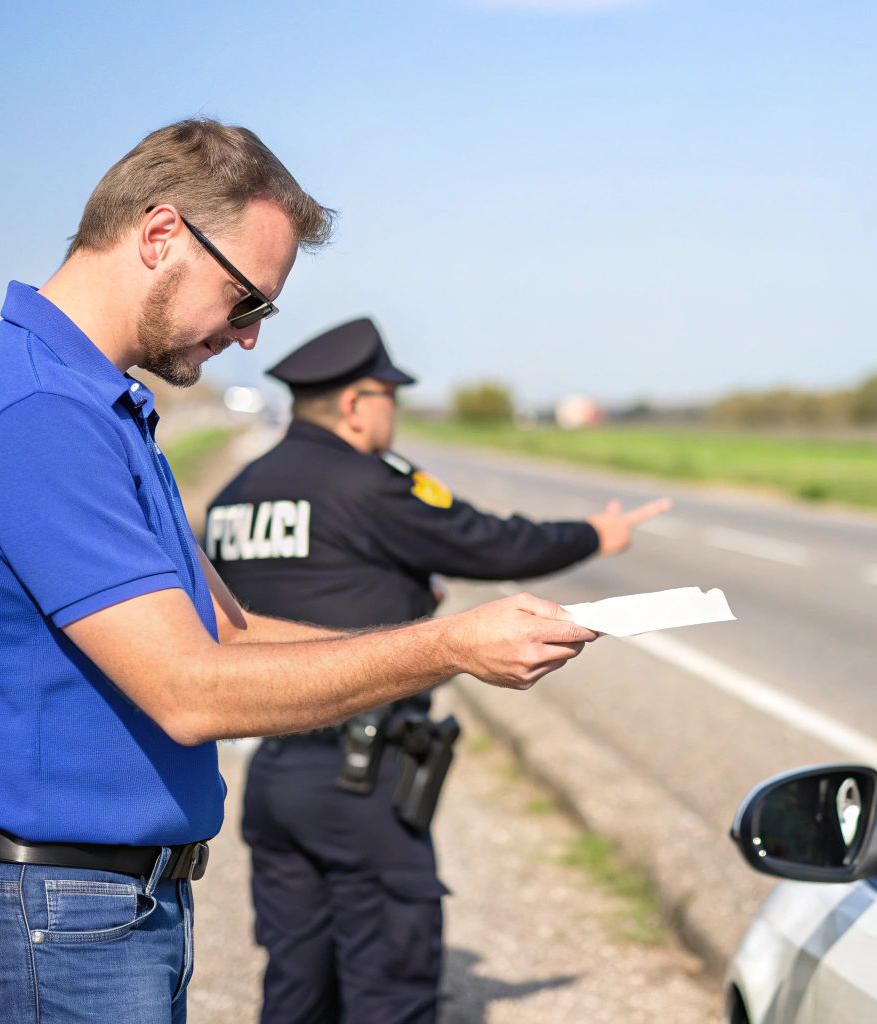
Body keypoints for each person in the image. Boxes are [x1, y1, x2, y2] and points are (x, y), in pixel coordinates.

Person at [0, 118, 598, 1024]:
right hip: (45, 918)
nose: (251, 337)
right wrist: (446, 645)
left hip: (93, 911)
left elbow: (230, 632)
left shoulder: (102, 407)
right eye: (246, 301)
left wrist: (450, 647)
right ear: (159, 236)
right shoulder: (37, 410)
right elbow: (191, 690)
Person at [205, 316, 669, 1023]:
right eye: (390, 394)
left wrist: (404, 591)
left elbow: (286, 595)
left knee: (297, 986)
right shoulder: (369, 483)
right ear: (359, 403)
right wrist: (596, 535)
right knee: (391, 990)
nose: (397, 408)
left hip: (273, 776)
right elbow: (491, 544)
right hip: (362, 780)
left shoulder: (236, 495)